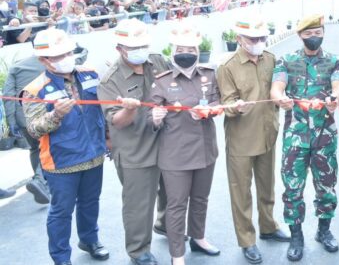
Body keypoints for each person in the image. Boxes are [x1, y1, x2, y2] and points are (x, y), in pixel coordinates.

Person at [21, 28, 109, 265]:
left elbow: (102, 109)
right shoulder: (34, 90)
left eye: (68, 52)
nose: (66, 58)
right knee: (61, 212)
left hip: (94, 155)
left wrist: (108, 139)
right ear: (44, 60)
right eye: (59, 55)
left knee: (91, 202)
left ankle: (89, 239)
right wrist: (55, 115)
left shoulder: (90, 73)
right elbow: (33, 129)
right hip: (61, 161)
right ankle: (61, 257)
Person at [270, 14, 339, 262]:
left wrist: (334, 99)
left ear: (323, 32)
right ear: (300, 35)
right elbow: (277, 86)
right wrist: (279, 97)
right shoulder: (287, 60)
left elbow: (338, 86)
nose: (314, 37)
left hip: (325, 135)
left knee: (326, 185)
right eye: (308, 34)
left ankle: (324, 231)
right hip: (296, 136)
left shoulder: (335, 61)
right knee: (293, 188)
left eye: (318, 32)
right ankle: (296, 236)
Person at [98, 19, 171, 265]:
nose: (140, 50)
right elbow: (116, 121)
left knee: (172, 192)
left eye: (143, 45)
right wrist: (129, 109)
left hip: (165, 140)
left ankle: (164, 224)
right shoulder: (110, 80)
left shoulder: (158, 61)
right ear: (120, 48)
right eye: (134, 47)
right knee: (139, 205)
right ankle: (138, 250)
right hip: (135, 149)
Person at [217, 17, 290, 264]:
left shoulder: (270, 59)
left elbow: (277, 90)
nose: (258, 43)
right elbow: (225, 102)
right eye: (253, 39)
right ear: (239, 39)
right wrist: (235, 106)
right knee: (241, 192)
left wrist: (283, 98)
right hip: (241, 137)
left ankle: (268, 226)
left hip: (268, 133)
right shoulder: (227, 66)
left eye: (262, 38)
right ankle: (247, 240)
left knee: (267, 185)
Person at [149, 25, 222, 265]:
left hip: (205, 149)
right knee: (177, 204)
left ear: (198, 52)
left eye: (190, 49)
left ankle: (198, 238)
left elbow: (218, 103)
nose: (185, 53)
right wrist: (156, 118)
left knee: (201, 198)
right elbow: (151, 116)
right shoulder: (161, 81)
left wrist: (210, 110)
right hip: (175, 153)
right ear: (173, 52)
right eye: (180, 49)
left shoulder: (209, 75)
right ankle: (177, 253)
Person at [3, 54, 49, 203]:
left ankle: (41, 181)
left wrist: (12, 121)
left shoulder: (17, 67)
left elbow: (8, 95)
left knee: (35, 149)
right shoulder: (54, 61)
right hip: (44, 114)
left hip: (22, 117)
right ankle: (40, 180)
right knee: (49, 147)